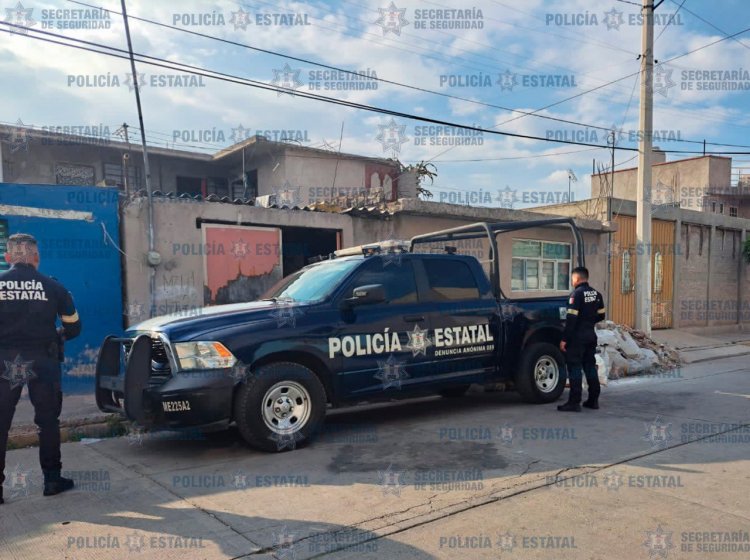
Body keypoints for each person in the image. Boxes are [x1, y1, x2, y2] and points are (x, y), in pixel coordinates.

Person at [0, 233, 81, 503]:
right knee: (47, 422)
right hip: (43, 361)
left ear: (8, 257)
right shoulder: (54, 287)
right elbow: (73, 327)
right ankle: (52, 480)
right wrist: (58, 335)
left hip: (6, 361)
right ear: (36, 257)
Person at [558, 266, 605, 412]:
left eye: (572, 279)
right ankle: (593, 400)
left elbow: (571, 319)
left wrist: (564, 339)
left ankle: (574, 402)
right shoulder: (597, 294)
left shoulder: (576, 295)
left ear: (577, 278)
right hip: (590, 336)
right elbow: (601, 315)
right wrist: (588, 322)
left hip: (577, 339)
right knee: (590, 367)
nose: (572, 281)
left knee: (575, 368)